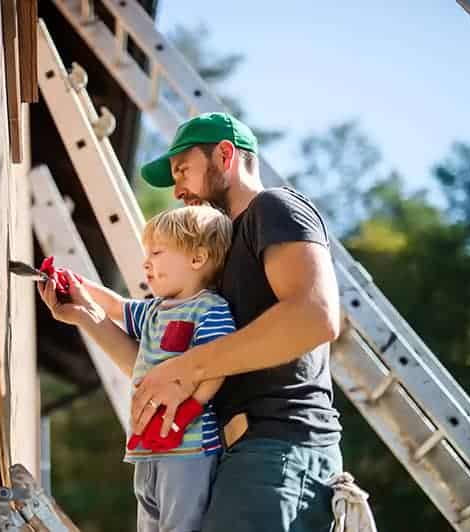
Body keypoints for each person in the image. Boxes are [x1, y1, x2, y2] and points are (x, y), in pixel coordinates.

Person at [132, 112, 344, 532]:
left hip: (280, 448)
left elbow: (315, 316)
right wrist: (87, 313)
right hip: (234, 457)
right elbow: (164, 374)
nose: (177, 190)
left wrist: (186, 366)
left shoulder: (274, 208)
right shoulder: (217, 266)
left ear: (225, 155)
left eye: (183, 171)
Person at [38, 205, 236, 532]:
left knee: (181, 524)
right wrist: (77, 285)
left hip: (189, 446)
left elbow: (216, 365)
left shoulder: (209, 309)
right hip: (146, 447)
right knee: (149, 521)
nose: (146, 262)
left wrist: (192, 407)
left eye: (157, 252)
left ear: (197, 259)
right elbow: (115, 306)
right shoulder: (154, 311)